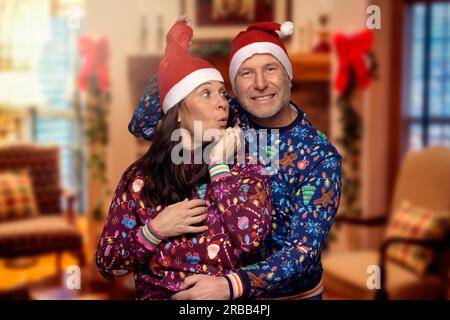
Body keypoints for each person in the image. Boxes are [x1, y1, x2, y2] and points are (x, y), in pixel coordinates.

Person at [128, 21, 342, 300]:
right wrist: (173, 61)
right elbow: (144, 126)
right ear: (234, 84)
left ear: (288, 76)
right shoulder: (227, 114)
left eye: (270, 68)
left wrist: (229, 285)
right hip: (215, 289)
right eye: (246, 72)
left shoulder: (319, 157)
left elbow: (301, 252)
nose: (261, 83)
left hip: (285, 296)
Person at [96, 19, 272, 300]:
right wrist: (155, 230)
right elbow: (108, 263)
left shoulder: (244, 165)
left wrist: (219, 167)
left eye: (222, 93)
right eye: (206, 93)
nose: (222, 103)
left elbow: (251, 238)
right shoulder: (141, 177)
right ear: (178, 111)